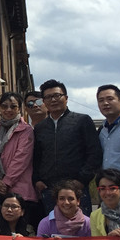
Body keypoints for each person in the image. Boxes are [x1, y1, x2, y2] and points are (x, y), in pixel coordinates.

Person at [32, 79, 102, 214]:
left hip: (77, 189)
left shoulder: (82, 121)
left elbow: (94, 153)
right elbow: (36, 158)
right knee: (52, 226)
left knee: (80, 225)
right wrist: (37, 180)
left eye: (57, 95)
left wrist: (82, 180)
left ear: (66, 98)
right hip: (49, 189)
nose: (53, 100)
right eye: (48, 97)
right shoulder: (40, 128)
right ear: (44, 101)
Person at [0, 91, 41, 229]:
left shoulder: (26, 130)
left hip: (21, 191)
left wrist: (6, 183)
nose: (8, 110)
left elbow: (21, 159)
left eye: (13, 106)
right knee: (3, 231)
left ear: (19, 108)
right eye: (4, 106)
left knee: (23, 231)